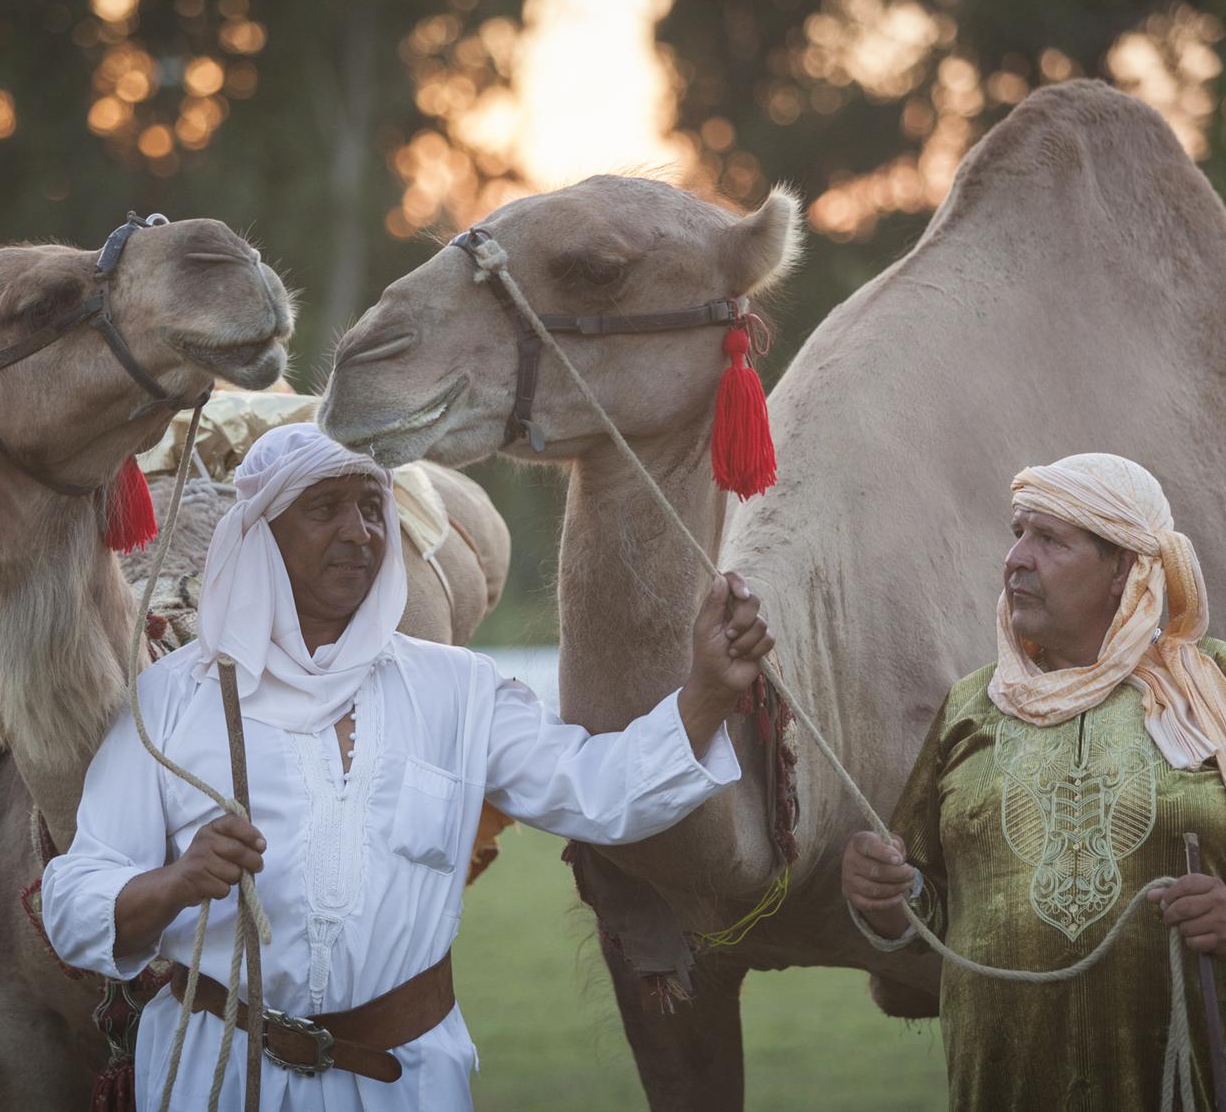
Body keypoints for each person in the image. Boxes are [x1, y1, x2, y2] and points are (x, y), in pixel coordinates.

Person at [43, 424, 773, 1110]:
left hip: (409, 1080)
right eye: (324, 508)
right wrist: (173, 884)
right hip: (220, 1076)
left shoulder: (457, 690)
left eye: (371, 508)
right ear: (260, 534)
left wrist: (706, 693)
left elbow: (598, 790)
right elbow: (74, 901)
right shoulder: (173, 702)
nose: (359, 532)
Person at [842, 453, 1226, 1110]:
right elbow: (930, 902)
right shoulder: (974, 706)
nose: (1015, 559)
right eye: (1017, 533)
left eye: (1049, 540)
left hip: (1186, 1082)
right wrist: (884, 892)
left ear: (1125, 569)